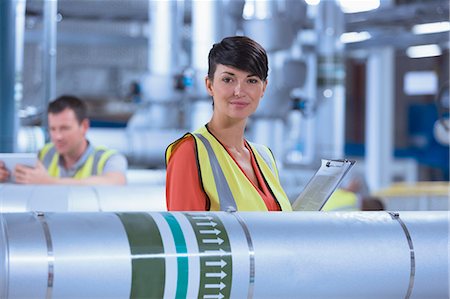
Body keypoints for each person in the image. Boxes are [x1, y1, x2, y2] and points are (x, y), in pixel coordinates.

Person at [165, 36, 292, 211]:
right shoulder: (189, 152)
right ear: (209, 85)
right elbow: (186, 235)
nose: (239, 91)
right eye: (228, 79)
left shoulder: (265, 157)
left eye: (252, 80)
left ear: (263, 88)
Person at [0, 95, 127, 185]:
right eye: (53, 129)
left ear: (84, 126)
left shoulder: (109, 159)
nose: (57, 136)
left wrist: (49, 182)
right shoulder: (44, 154)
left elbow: (115, 182)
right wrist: (7, 176)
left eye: (64, 128)